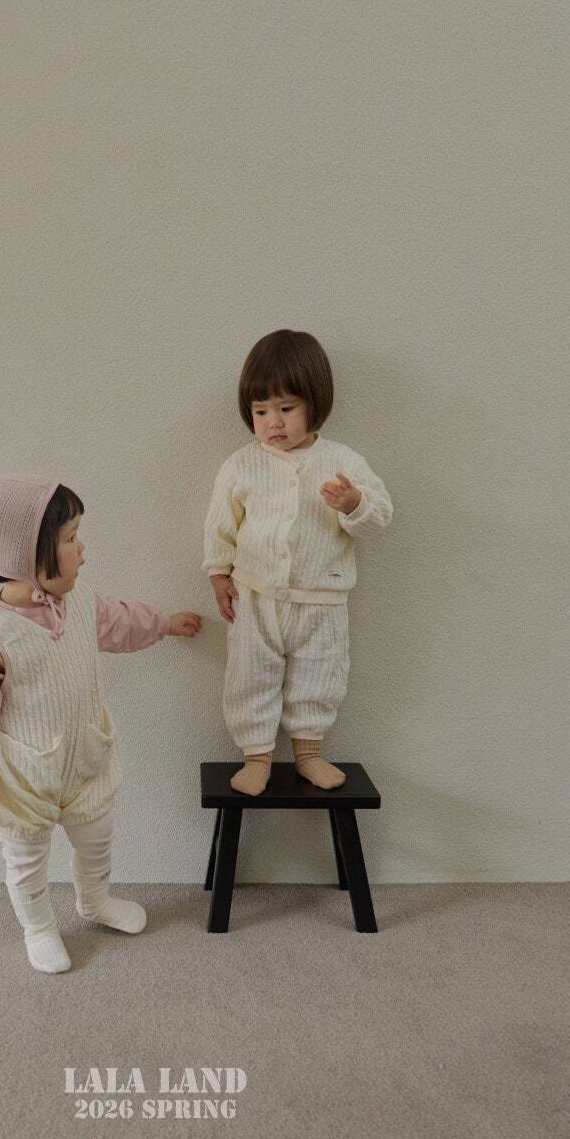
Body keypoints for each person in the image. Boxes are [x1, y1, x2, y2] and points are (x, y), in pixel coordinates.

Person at [0, 473, 202, 973]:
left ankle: (95, 899)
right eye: (70, 539)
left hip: (84, 758)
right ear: (25, 557)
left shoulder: (80, 604)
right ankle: (39, 928)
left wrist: (166, 623)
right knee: (26, 860)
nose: (82, 550)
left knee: (97, 837)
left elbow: (122, 622)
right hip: (23, 775)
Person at [202, 330, 393, 796]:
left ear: (315, 403)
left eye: (286, 409)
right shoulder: (241, 465)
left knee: (321, 672)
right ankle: (256, 756)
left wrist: (353, 503)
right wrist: (218, 573)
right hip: (255, 595)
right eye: (261, 412)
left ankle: (309, 754)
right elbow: (220, 525)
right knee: (249, 673)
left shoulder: (342, 461)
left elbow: (379, 517)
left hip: (322, 597)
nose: (273, 423)